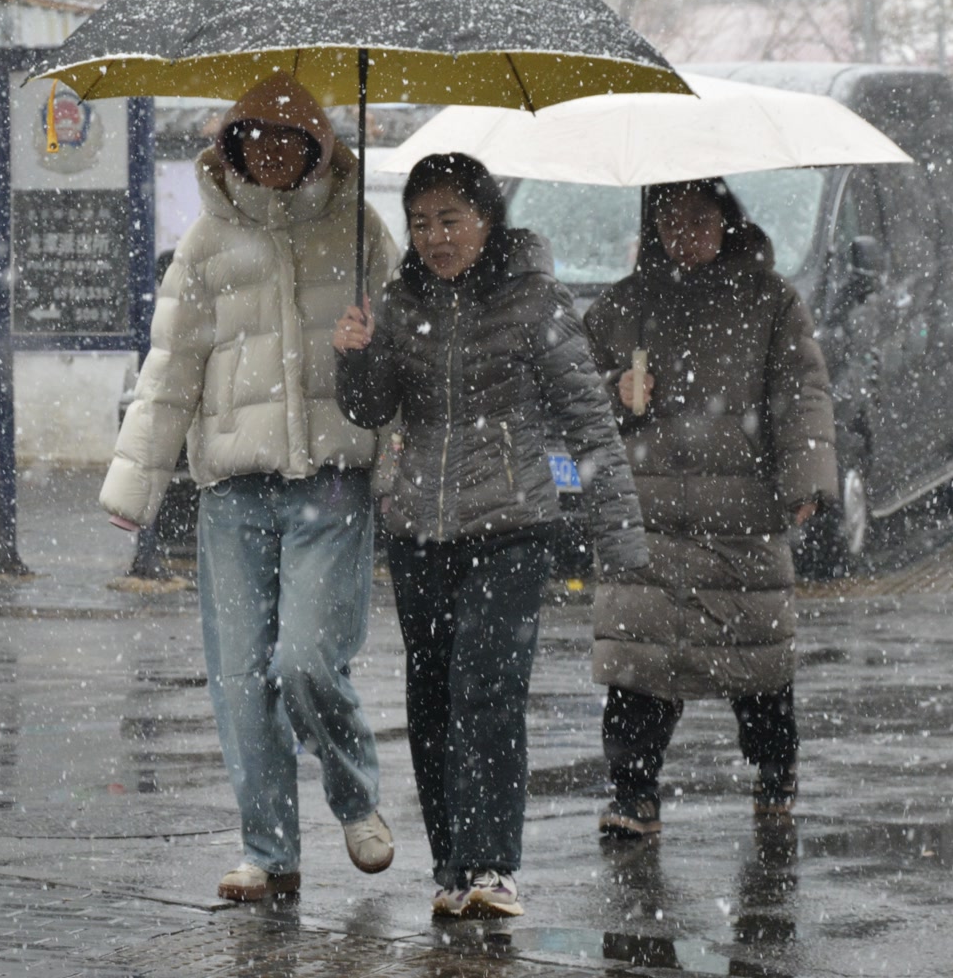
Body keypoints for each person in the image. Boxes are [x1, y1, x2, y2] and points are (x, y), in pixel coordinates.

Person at [101, 72, 399, 904]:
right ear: (230, 147)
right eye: (253, 136)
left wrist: (371, 353)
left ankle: (355, 799)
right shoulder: (204, 244)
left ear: (318, 148)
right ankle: (268, 852)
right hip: (233, 491)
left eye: (288, 138)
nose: (269, 150)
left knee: (306, 660)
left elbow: (404, 355)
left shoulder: (361, 230)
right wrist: (135, 485)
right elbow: (171, 369)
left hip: (332, 484)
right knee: (240, 677)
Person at [333, 152, 646, 920]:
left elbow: (589, 422)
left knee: (488, 689)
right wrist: (356, 356)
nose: (435, 237)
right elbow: (370, 409)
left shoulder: (534, 298)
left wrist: (620, 538)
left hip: (513, 525)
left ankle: (493, 865)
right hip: (419, 529)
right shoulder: (400, 301)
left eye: (451, 219)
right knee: (432, 699)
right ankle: (451, 868)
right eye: (420, 223)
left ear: (486, 218)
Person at [582, 178, 834, 835]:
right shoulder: (622, 307)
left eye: (699, 220)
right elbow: (573, 397)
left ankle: (775, 770)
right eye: (671, 222)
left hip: (739, 513)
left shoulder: (771, 302)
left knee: (758, 658)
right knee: (639, 663)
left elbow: (801, 392)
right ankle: (633, 793)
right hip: (649, 515)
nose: (684, 236)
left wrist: (806, 481)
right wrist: (616, 391)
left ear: (727, 220)